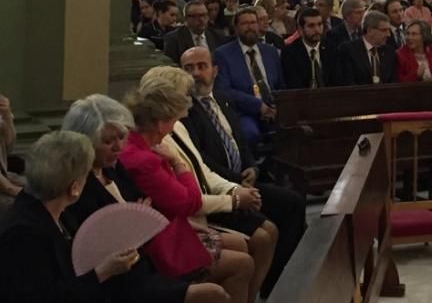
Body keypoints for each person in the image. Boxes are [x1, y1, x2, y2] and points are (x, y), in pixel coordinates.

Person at [61, 95, 227, 303]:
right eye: (107, 141)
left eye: (121, 137)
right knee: (213, 293)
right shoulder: (79, 187)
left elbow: (143, 207)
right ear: (84, 141)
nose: (118, 147)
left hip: (143, 264)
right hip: (118, 282)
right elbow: (102, 242)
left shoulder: (112, 168)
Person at [179, 50, 307, 298]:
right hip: (222, 186)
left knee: (293, 204)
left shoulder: (223, 99)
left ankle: (276, 281)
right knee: (267, 227)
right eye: (189, 68)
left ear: (214, 70)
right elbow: (202, 162)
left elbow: (239, 141)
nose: (196, 73)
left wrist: (252, 166)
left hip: (243, 177)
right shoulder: (187, 111)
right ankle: (259, 287)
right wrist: (237, 182)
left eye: (202, 66)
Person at [120, 77, 255, 299]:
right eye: (173, 120)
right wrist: (178, 163)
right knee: (242, 264)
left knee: (240, 245)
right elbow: (189, 203)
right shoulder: (145, 159)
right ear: (162, 122)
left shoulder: (140, 145)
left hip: (171, 227)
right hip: (160, 246)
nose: (174, 126)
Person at [0, 131, 151, 302]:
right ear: (75, 187)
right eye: (86, 175)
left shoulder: (57, 212)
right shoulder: (22, 235)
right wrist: (103, 272)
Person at [215, 7, 286, 149]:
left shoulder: (270, 51)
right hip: (244, 111)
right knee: (250, 134)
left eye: (253, 22)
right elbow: (224, 90)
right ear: (235, 27)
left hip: (274, 109)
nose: (250, 27)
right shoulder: (223, 54)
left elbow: (281, 85)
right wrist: (258, 106)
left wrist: (278, 106)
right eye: (245, 23)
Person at [335, 10, 397, 85]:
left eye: (388, 30)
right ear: (369, 30)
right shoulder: (348, 50)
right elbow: (347, 82)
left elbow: (392, 82)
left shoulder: (389, 52)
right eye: (384, 30)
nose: (388, 35)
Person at [282, 6, 335, 88]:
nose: (317, 29)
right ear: (300, 29)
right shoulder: (290, 53)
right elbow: (294, 85)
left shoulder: (331, 48)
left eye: (319, 24)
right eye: (311, 26)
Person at [0, 93, 24, 215]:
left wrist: (7, 117)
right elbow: (7, 187)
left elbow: (9, 146)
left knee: (43, 189)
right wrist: (11, 189)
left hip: (5, 176)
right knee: (20, 207)